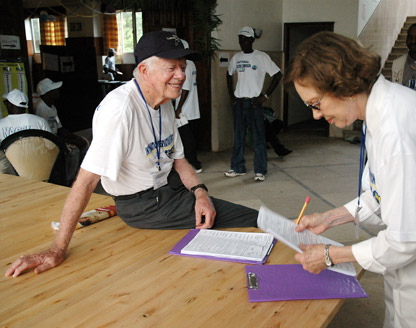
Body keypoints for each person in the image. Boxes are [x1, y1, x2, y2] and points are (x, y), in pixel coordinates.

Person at [286, 32, 416, 328]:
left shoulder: (398, 125)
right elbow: (380, 193)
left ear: (342, 85)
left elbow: (404, 243)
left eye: (316, 103)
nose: (317, 115)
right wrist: (329, 218)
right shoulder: (383, 111)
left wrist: (329, 256)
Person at [5, 31, 258, 278]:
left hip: (170, 188)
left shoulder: (165, 101)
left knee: (225, 214)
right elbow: (86, 181)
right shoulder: (120, 110)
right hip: (144, 204)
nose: (181, 75)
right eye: (171, 67)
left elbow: (180, 161)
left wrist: (200, 193)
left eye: (183, 66)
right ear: (145, 71)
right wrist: (57, 248)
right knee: (251, 219)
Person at [225, 26, 282, 182]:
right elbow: (229, 75)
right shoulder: (236, 58)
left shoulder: (261, 57)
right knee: (238, 137)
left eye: (245, 39)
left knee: (258, 138)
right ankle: (237, 167)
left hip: (254, 103)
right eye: (240, 39)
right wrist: (232, 96)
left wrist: (265, 96)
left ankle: (260, 170)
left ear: (251, 40)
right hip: (239, 103)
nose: (242, 42)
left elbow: (278, 75)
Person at [0, 89, 52, 174]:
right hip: (38, 170)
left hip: (11, 173)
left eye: (6, 102)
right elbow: (51, 146)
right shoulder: (40, 121)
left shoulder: (0, 124)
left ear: (9, 105)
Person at [174, 39, 202, 173]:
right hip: (187, 108)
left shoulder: (188, 65)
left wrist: (178, 108)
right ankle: (193, 162)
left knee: (187, 138)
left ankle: (194, 164)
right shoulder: (189, 64)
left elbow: (185, 88)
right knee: (187, 137)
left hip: (186, 109)